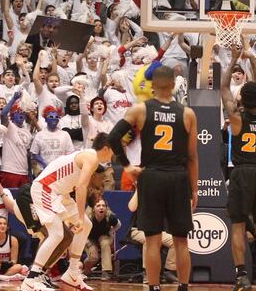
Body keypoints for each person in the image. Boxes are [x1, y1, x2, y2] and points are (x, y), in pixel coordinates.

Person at [108, 65, 198, 291]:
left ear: (153, 85)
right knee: (181, 240)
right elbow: (192, 157)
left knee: (153, 240)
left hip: (152, 176)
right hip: (178, 178)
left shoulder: (141, 110)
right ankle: (184, 287)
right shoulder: (187, 113)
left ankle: (154, 288)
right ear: (173, 85)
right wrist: (194, 189)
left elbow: (113, 137)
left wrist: (127, 166)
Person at [221, 45, 256, 291]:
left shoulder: (236, 117)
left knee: (238, 226)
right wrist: (252, 58)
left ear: (241, 98)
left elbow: (223, 88)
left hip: (242, 172)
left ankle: (242, 275)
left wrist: (233, 58)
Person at [19, 149, 103, 291]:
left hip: (58, 194)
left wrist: (82, 219)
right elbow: (81, 188)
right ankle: (31, 278)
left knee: (85, 225)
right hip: (43, 189)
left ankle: (72, 272)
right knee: (57, 234)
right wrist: (80, 218)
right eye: (101, 178)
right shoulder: (90, 159)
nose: (102, 182)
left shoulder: (84, 162)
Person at [83, 199, 120, 280]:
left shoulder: (110, 217)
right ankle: (85, 269)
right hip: (90, 238)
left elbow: (118, 225)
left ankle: (106, 272)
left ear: (106, 208)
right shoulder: (88, 218)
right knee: (93, 257)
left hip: (104, 236)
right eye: (98, 206)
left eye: (103, 206)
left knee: (105, 243)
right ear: (93, 208)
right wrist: (89, 244)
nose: (101, 208)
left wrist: (111, 231)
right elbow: (82, 233)